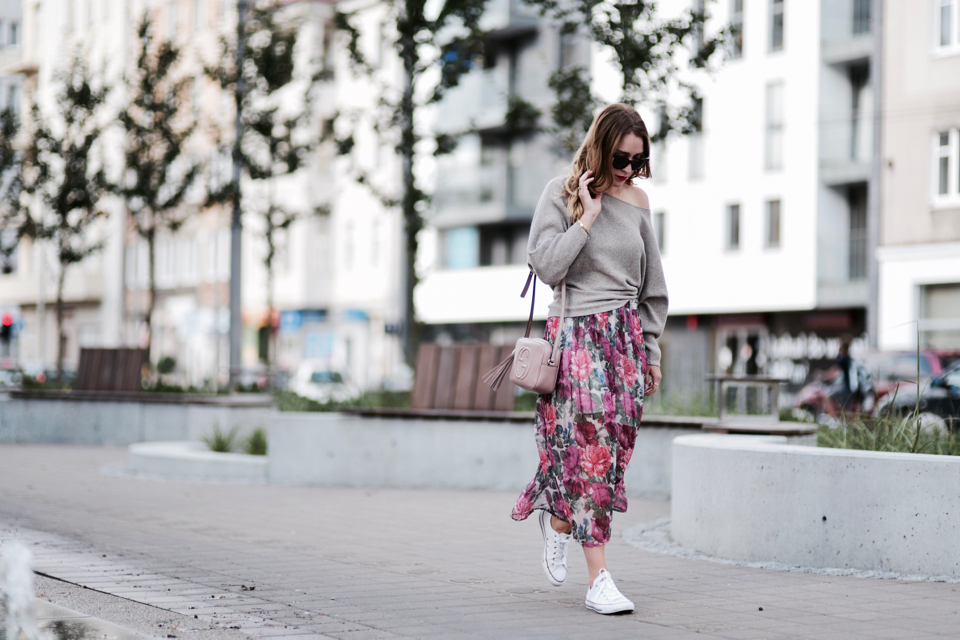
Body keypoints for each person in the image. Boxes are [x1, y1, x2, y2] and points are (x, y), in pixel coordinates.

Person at [511, 103, 668, 615]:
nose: (627, 170)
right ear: (600, 146)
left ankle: (559, 519)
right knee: (591, 451)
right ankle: (599, 579)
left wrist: (651, 350)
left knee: (612, 455)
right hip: (576, 335)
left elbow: (652, 288)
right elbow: (547, 267)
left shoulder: (640, 202)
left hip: (623, 341)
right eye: (621, 159)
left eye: (637, 161)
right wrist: (587, 218)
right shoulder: (561, 193)